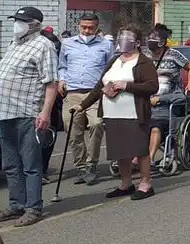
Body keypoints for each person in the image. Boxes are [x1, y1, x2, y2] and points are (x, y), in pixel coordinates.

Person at [72, 26, 159, 200]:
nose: (124, 41)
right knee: (120, 150)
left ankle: (145, 183)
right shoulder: (114, 60)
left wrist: (127, 86)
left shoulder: (143, 62)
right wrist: (83, 105)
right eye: (121, 37)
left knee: (139, 149)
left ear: (137, 42)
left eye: (128, 38)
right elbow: (99, 86)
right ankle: (125, 183)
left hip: (134, 113)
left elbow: (152, 86)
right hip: (112, 113)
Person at [0, 7, 58, 227]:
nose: (17, 24)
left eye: (22, 21)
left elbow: (51, 83)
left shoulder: (44, 46)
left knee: (31, 165)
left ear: (35, 25)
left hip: (27, 114)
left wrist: (45, 112)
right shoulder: (15, 43)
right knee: (11, 164)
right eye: (16, 20)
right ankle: (16, 204)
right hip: (4, 113)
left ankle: (33, 208)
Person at [57, 13, 114, 186]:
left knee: (97, 124)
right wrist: (61, 79)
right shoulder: (67, 44)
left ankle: (91, 164)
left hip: (94, 94)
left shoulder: (106, 44)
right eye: (83, 27)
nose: (87, 31)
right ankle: (80, 166)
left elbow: (110, 67)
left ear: (97, 28)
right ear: (79, 26)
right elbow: (62, 65)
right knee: (73, 131)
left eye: (90, 28)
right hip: (72, 92)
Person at [144, 24, 190, 168]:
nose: (150, 41)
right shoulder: (145, 55)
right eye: (149, 38)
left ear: (162, 41)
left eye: (154, 38)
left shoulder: (173, 54)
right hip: (146, 99)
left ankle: (149, 161)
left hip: (168, 100)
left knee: (156, 126)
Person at [38, 27, 63, 185]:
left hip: (51, 102)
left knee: (47, 137)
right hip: (32, 100)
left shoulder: (56, 52)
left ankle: (42, 169)